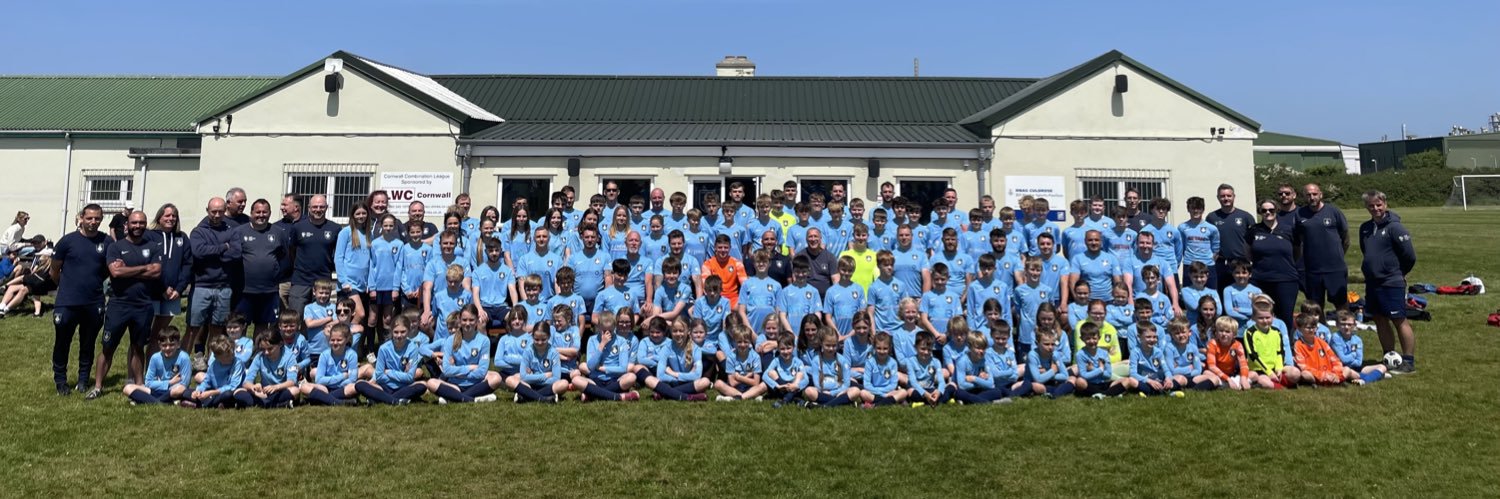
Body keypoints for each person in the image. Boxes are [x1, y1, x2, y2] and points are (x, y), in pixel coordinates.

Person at [86, 210, 161, 400]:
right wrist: (144, 268)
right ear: (127, 224)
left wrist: (127, 270)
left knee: (138, 347)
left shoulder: (153, 246)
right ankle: (98, 386)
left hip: (143, 305)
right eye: (134, 223)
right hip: (119, 304)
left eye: (141, 223)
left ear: (145, 224)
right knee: (108, 347)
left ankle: (139, 385)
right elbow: (115, 273)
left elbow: (156, 273)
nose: (138, 226)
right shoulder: (115, 246)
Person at [1355, 191, 1419, 376]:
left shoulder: (1395, 227)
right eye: (1371, 206)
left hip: (1391, 282)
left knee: (1399, 319)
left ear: (1385, 204)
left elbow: (1409, 256)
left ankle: (1408, 361)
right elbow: (1365, 250)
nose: (1375, 209)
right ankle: (1389, 356)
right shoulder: (1365, 228)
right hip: (1372, 283)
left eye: (1378, 205)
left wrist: (1397, 272)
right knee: (1379, 318)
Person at [50, 204, 110, 396]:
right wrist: (68, 287)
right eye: (89, 218)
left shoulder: (106, 241)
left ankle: (83, 379)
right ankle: (61, 380)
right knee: (62, 341)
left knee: (88, 342)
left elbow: (108, 269)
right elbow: (54, 270)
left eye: (97, 219)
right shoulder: (67, 241)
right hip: (67, 301)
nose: (93, 222)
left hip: (93, 301)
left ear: (101, 219)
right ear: (81, 218)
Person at [187, 197, 241, 364]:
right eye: (213, 212)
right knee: (193, 326)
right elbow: (198, 252)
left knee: (217, 326)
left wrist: (214, 253)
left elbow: (236, 253)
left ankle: (213, 360)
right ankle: (189, 359)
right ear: (207, 210)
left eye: (220, 211)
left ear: (225, 211)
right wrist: (223, 248)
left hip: (224, 286)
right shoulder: (198, 231)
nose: (217, 215)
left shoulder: (232, 231)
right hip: (202, 285)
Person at [425, 305, 503, 403]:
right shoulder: (450, 340)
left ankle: (454, 397)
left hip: (476, 384)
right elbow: (447, 370)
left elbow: (482, 371)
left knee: (496, 378)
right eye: (464, 320)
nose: (467, 323)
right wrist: (469, 367)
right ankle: (473, 399)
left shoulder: (484, 340)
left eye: (471, 320)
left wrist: (459, 373)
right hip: (455, 385)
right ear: (460, 321)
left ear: (477, 321)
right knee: (431, 383)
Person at [235, 199, 289, 337]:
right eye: (258, 212)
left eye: (265, 212)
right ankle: (241, 355)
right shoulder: (239, 232)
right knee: (240, 324)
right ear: (251, 213)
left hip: (268, 290)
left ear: (270, 213)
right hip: (245, 289)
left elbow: (284, 256)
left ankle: (258, 353)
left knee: (263, 325)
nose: (261, 215)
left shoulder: (278, 232)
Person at [1293, 183, 1350, 313]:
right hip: (1312, 269)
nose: (1312, 197)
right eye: (1308, 195)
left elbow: (1345, 238)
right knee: (1315, 306)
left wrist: (1338, 255)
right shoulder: (1300, 214)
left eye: (1314, 194)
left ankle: (1346, 331)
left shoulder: (1333, 211)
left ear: (1320, 195)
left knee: (1340, 303)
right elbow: (1298, 240)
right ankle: (1321, 332)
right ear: (1304, 197)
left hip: (1335, 268)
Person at [1246, 198, 1299, 328]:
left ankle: (1286, 345)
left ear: (1277, 210)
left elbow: (1298, 251)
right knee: (1261, 316)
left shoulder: (1289, 229)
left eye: (1271, 210)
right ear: (1260, 212)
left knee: (1285, 316)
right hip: (1260, 279)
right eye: (1264, 210)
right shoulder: (1254, 230)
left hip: (1286, 279)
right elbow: (1247, 252)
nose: (1267, 212)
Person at [288, 194, 342, 316]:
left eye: (321, 207)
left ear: (327, 207)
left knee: (320, 318)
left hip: (323, 280)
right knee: (296, 318)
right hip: (301, 280)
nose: (318, 210)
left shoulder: (335, 229)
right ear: (309, 208)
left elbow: (337, 254)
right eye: (315, 207)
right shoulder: (298, 227)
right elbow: (292, 251)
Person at [573, 312, 641, 402]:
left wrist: (604, 369)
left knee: (632, 377)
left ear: (615, 327)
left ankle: (593, 394)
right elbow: (590, 366)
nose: (607, 334)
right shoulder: (592, 340)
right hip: (596, 379)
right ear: (599, 327)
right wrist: (602, 345)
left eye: (610, 331)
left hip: (614, 379)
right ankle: (619, 396)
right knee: (576, 380)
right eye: (604, 331)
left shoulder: (621, 341)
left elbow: (623, 368)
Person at [121, 327, 191, 406]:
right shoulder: (155, 358)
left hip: (173, 391)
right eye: (164, 345)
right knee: (127, 388)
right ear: (159, 345)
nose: (168, 348)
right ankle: (162, 402)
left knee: (179, 389)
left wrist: (161, 384)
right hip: (156, 390)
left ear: (178, 344)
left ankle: (144, 400)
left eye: (171, 345)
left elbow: (184, 383)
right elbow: (148, 382)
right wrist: (169, 382)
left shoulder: (184, 357)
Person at [233, 328, 301, 409]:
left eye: (270, 349)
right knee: (238, 392)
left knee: (295, 390)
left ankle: (260, 404)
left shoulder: (290, 357)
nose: (266, 352)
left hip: (280, 391)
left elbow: (292, 381)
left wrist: (276, 387)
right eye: (263, 349)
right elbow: (246, 382)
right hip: (263, 393)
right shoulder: (259, 357)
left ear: (280, 344)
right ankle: (276, 405)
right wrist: (253, 387)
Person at [505, 322, 568, 403]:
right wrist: (545, 375)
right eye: (536, 339)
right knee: (510, 380)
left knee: (564, 384)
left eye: (543, 339)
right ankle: (544, 399)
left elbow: (556, 378)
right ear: (532, 337)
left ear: (549, 337)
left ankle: (526, 396)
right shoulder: (528, 351)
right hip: (529, 385)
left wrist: (532, 376)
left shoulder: (554, 353)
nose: (540, 342)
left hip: (547, 385)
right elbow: (523, 377)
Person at [1206, 184, 1254, 291]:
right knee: (1220, 296)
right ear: (1218, 198)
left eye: (1229, 195)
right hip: (1220, 264)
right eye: (1222, 196)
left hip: (1240, 264)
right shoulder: (1212, 217)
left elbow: (1253, 242)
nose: (1226, 198)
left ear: (1234, 197)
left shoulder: (1245, 217)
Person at [302, 323, 359, 406]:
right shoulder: (324, 355)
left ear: (346, 340)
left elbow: (352, 379)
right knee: (303, 387)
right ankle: (339, 402)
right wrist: (342, 376)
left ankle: (323, 399)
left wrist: (335, 384)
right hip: (326, 388)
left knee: (355, 386)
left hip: (343, 387)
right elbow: (319, 380)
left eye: (339, 340)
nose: (335, 343)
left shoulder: (352, 354)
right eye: (332, 340)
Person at [1244, 307, 1301, 388]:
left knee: (1296, 373)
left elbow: (1280, 352)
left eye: (1268, 317)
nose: (1265, 321)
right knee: (1266, 383)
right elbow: (1253, 356)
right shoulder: (1249, 332)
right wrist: (1269, 372)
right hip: (1259, 369)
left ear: (1273, 317)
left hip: (1274, 368)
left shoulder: (1276, 331)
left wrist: (1279, 369)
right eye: (1260, 318)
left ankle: (1278, 381)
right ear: (1254, 318)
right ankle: (1279, 385)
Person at [1329, 310, 1389, 385]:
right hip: (1341, 367)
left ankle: (1372, 376)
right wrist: (1353, 355)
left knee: (1382, 367)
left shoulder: (1357, 340)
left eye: (1349, 324)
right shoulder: (1336, 337)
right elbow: (1343, 359)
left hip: (1356, 368)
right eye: (1343, 324)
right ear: (1337, 325)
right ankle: (1372, 377)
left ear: (1354, 325)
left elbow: (1359, 362)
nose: (1346, 327)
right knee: (1348, 370)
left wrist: (1350, 359)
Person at [804, 327, 859, 407]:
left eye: (834, 346)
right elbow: (816, 383)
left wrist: (833, 392)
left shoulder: (842, 360)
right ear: (821, 343)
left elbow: (846, 383)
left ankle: (823, 406)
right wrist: (823, 391)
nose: (831, 348)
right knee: (809, 391)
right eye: (827, 345)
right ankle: (843, 403)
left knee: (856, 391)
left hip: (839, 392)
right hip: (823, 391)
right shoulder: (816, 361)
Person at [189, 335, 246, 408]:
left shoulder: (237, 363)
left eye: (233, 354)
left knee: (228, 395)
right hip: (215, 391)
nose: (232, 357)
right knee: (187, 392)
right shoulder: (214, 365)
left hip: (229, 392)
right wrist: (199, 390)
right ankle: (210, 402)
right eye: (227, 356)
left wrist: (212, 392)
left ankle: (202, 403)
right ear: (217, 357)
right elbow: (207, 381)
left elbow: (233, 386)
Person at [1124, 322, 1178, 397]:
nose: (1152, 340)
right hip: (1144, 379)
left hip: (1156, 377)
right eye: (1148, 337)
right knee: (1132, 381)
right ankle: (1165, 391)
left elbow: (1166, 369)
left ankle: (1156, 390)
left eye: (1155, 337)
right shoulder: (1135, 352)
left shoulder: (1158, 352)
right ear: (1139, 337)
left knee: (1178, 379)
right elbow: (1133, 374)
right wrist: (1149, 381)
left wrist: (1168, 378)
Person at [714, 326, 767, 401]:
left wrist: (739, 377)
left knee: (764, 385)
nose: (742, 345)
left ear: (750, 342)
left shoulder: (755, 357)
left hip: (750, 387)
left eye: (745, 342)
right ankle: (748, 396)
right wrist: (748, 376)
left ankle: (737, 397)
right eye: (739, 342)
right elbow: (732, 383)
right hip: (735, 388)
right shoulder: (731, 357)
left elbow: (756, 382)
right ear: (735, 342)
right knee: (718, 383)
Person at [1178, 197, 1220, 289]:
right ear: (1188, 209)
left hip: (1207, 265)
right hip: (1189, 264)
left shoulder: (1212, 228)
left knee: (1210, 295)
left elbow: (1216, 248)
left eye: (1199, 208)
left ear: (1203, 209)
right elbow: (1181, 247)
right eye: (1193, 208)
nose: (1196, 211)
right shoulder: (1182, 227)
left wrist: (1209, 259)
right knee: (1189, 294)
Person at [859, 332, 906, 407]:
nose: (882, 351)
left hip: (889, 391)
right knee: (863, 393)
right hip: (874, 391)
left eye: (885, 348)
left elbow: (893, 384)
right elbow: (866, 384)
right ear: (874, 347)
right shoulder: (870, 362)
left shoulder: (893, 363)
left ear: (889, 348)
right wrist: (881, 393)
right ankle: (889, 401)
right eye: (879, 348)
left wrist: (885, 393)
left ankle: (875, 405)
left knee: (903, 392)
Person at [1204, 316, 1251, 390]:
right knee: (1206, 373)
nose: (1224, 334)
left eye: (1227, 331)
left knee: (1253, 374)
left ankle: (1228, 384)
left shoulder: (1238, 345)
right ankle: (1230, 384)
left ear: (1234, 334)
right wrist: (1228, 379)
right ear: (1216, 333)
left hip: (1230, 373)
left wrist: (1243, 378)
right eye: (1221, 331)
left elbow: (1243, 364)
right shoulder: (1212, 343)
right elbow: (1212, 366)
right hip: (1215, 373)